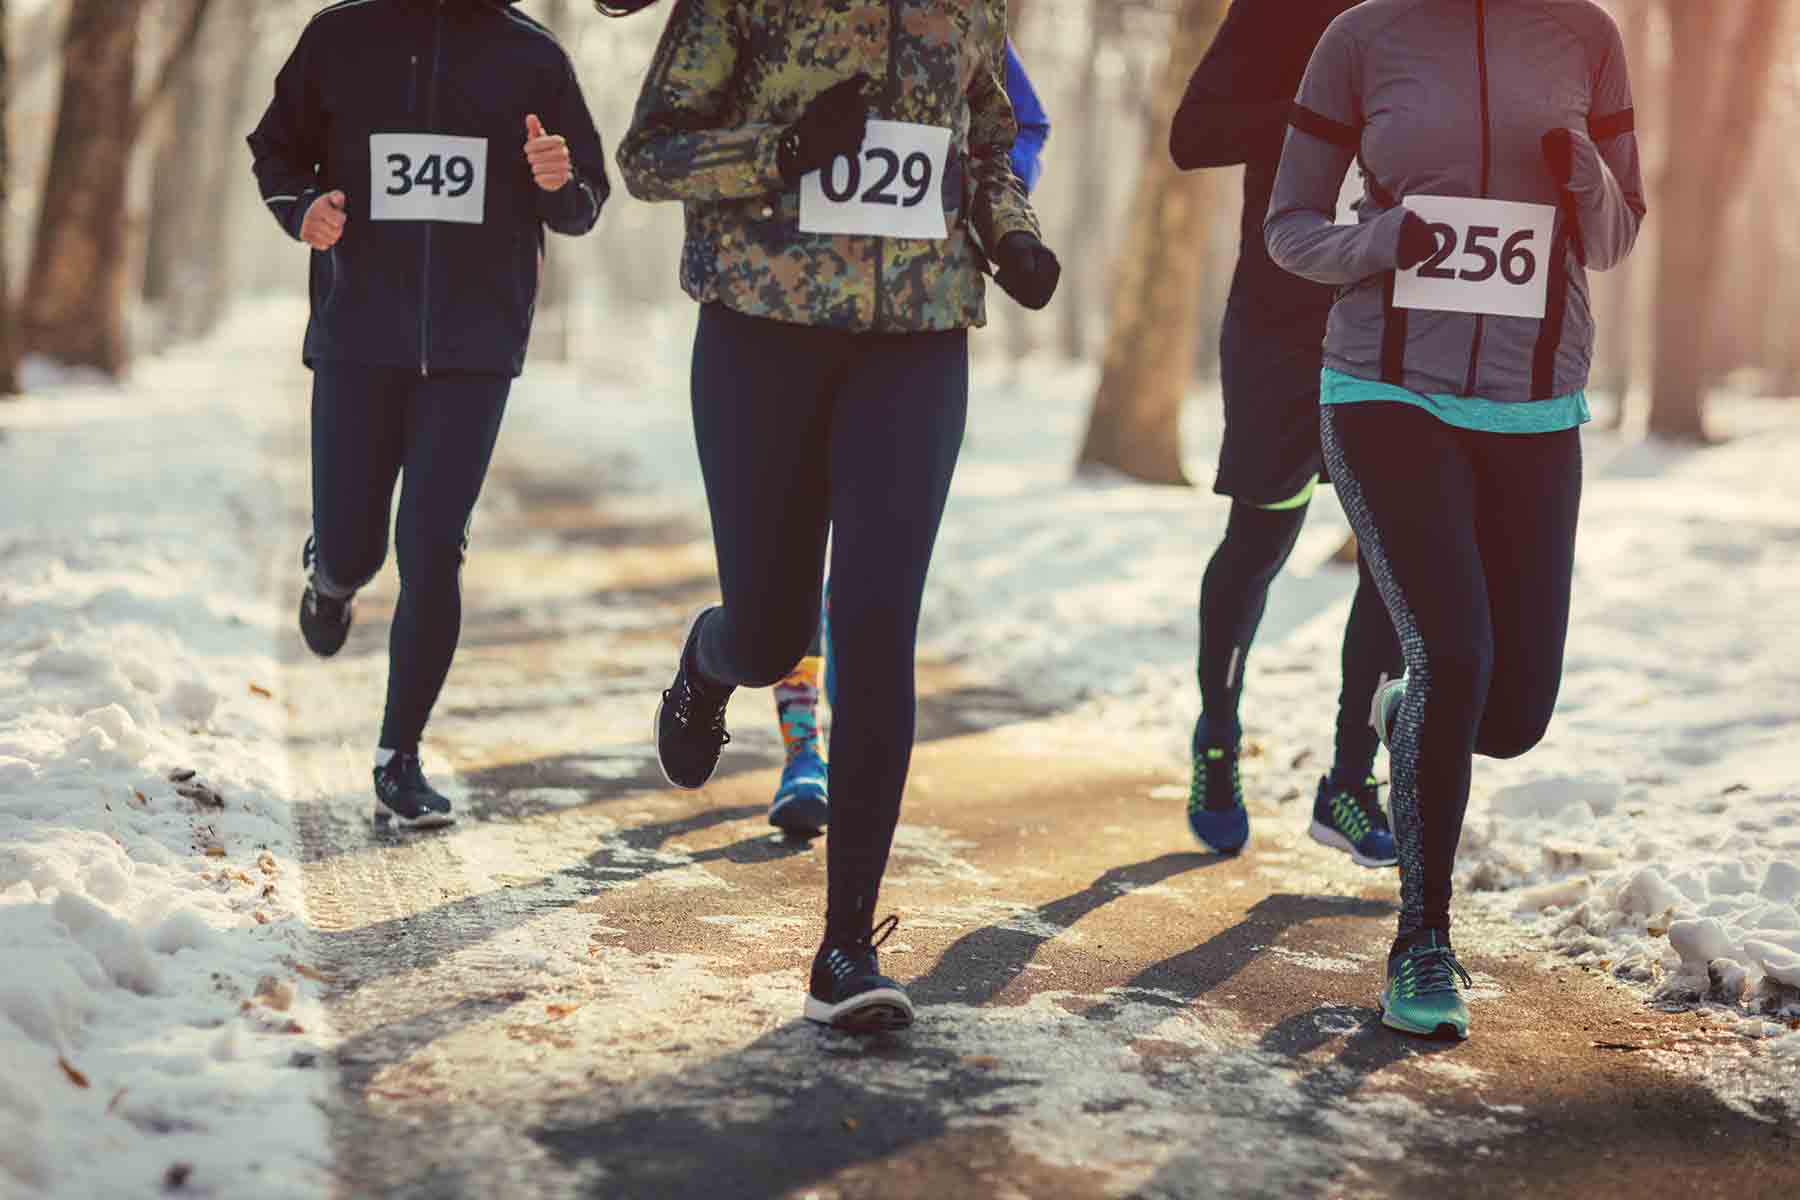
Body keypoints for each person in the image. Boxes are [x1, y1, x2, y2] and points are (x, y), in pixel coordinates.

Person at [608, 0, 1060, 1032]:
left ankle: (845, 946)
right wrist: (785, 149)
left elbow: (988, 143)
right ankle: (713, 659)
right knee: (771, 633)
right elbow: (649, 155)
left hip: (916, 338)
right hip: (762, 331)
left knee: (875, 618)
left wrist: (1013, 235)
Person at [1266, 0, 1645, 1040]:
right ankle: (1423, 942)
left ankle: (1413, 715)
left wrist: (1589, 183)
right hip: (1386, 390)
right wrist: (1385, 241)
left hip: (1534, 403)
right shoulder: (1362, 37)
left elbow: (1618, 236)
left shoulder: (1588, 37)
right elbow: (1289, 228)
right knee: (1455, 650)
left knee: (1513, 717)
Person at [249, 0, 609, 829]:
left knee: (433, 544)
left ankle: (397, 755)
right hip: (358, 335)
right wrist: (299, 207)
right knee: (355, 546)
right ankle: (330, 577)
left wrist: (561, 185)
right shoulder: (341, 35)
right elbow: (275, 149)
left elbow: (585, 197)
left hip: (475, 346)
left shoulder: (532, 55)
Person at [764, 39, 1052, 841]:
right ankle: (764, 699)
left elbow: (1020, 121)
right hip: (783, 315)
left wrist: (995, 210)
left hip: (908, 325)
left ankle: (803, 755)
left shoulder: (952, 17)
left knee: (861, 582)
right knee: (780, 583)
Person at [1169, 0, 1404, 868]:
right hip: (1279, 319)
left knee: (1391, 551)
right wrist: (1322, 115)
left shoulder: (1438, 19)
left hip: (1394, 321)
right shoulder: (1280, 8)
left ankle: (1350, 776)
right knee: (1263, 534)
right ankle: (1219, 738)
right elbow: (1192, 135)